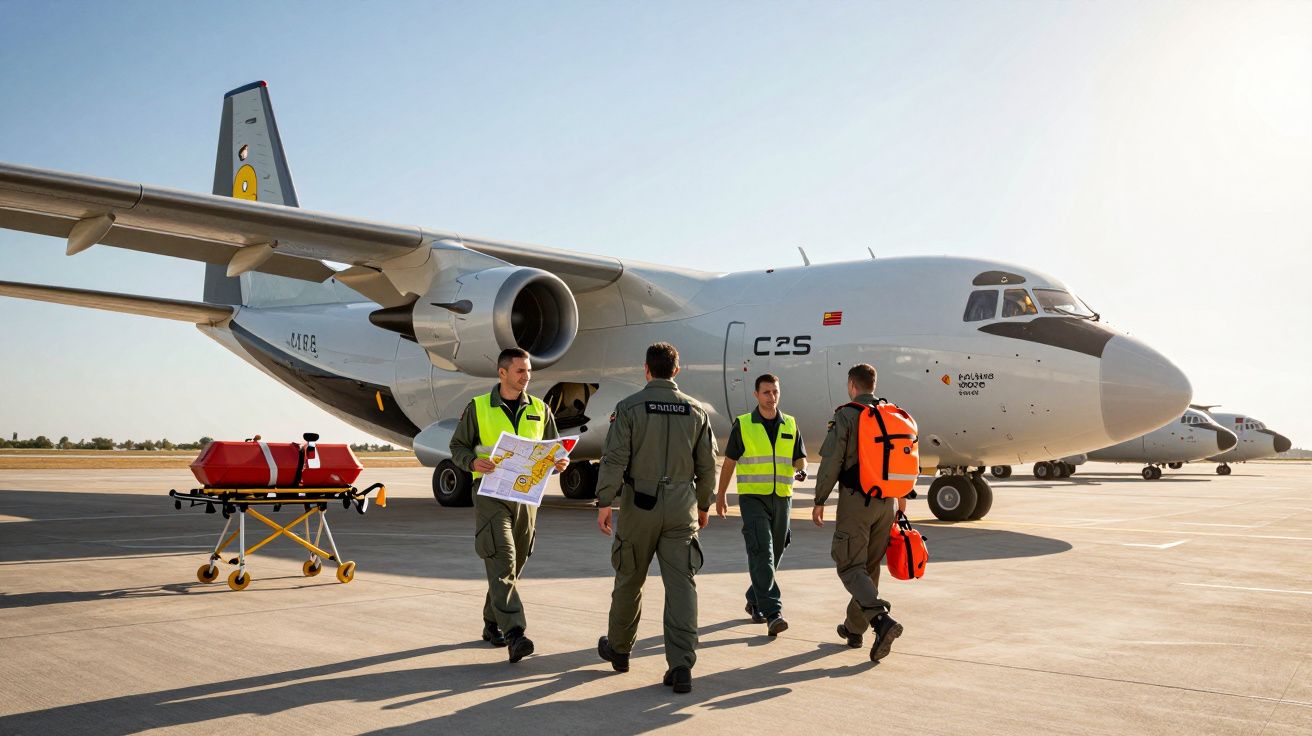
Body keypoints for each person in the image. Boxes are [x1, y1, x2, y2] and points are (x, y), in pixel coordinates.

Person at [594, 342, 718, 694]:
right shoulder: (696, 411)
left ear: (646, 370)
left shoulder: (630, 407)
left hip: (640, 506)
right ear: (676, 371)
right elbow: (708, 465)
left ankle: (619, 650)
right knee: (681, 586)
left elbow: (615, 458)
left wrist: (605, 502)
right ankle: (681, 666)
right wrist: (704, 506)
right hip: (681, 506)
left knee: (629, 578)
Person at [449, 347, 569, 663]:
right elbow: (457, 447)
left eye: (528, 371)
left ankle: (492, 623)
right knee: (502, 557)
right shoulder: (478, 408)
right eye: (520, 371)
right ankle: (515, 633)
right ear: (502, 373)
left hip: (526, 497)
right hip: (490, 493)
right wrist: (473, 461)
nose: (526, 376)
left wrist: (559, 462)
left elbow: (553, 448)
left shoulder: (541, 410)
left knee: (514, 564)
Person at [811, 363, 906, 662]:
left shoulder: (847, 414)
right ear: (873, 385)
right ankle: (854, 629)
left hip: (857, 501)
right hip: (888, 501)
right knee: (869, 567)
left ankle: (880, 619)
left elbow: (831, 461)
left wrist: (819, 499)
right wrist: (900, 497)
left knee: (849, 564)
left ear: (852, 385)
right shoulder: (891, 414)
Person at [714, 373, 807, 636]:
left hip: (782, 497)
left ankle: (754, 598)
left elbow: (800, 458)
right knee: (762, 552)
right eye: (766, 392)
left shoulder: (790, 423)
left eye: (775, 391)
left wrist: (802, 471)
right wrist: (721, 496)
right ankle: (773, 612)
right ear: (756, 395)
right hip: (753, 498)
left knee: (775, 551)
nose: (772, 397)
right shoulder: (743, 425)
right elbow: (730, 461)